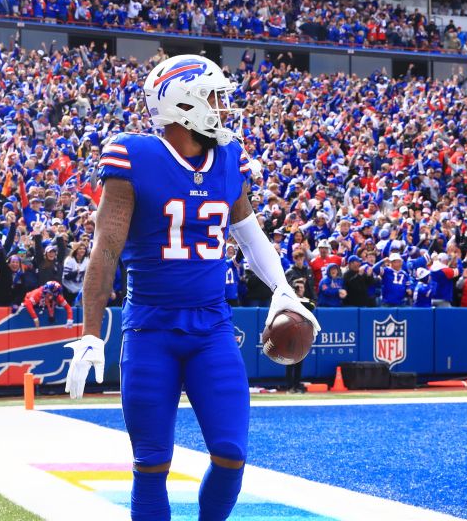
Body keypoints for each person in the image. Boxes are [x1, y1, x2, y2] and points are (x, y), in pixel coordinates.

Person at [63, 55, 319, 521]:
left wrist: (282, 287)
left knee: (230, 453)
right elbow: (105, 250)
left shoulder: (228, 158)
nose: (222, 108)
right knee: (152, 462)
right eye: (214, 97)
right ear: (183, 102)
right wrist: (90, 331)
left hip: (211, 326)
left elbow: (248, 232)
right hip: (150, 329)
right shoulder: (133, 155)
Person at [284, 280, 315, 393]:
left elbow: (311, 305)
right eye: (299, 287)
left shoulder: (304, 300)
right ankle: (289, 386)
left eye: (302, 287)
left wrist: (299, 300)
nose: (301, 289)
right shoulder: (289, 300)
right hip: (291, 333)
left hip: (302, 334)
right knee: (290, 361)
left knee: (299, 361)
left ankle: (296, 386)